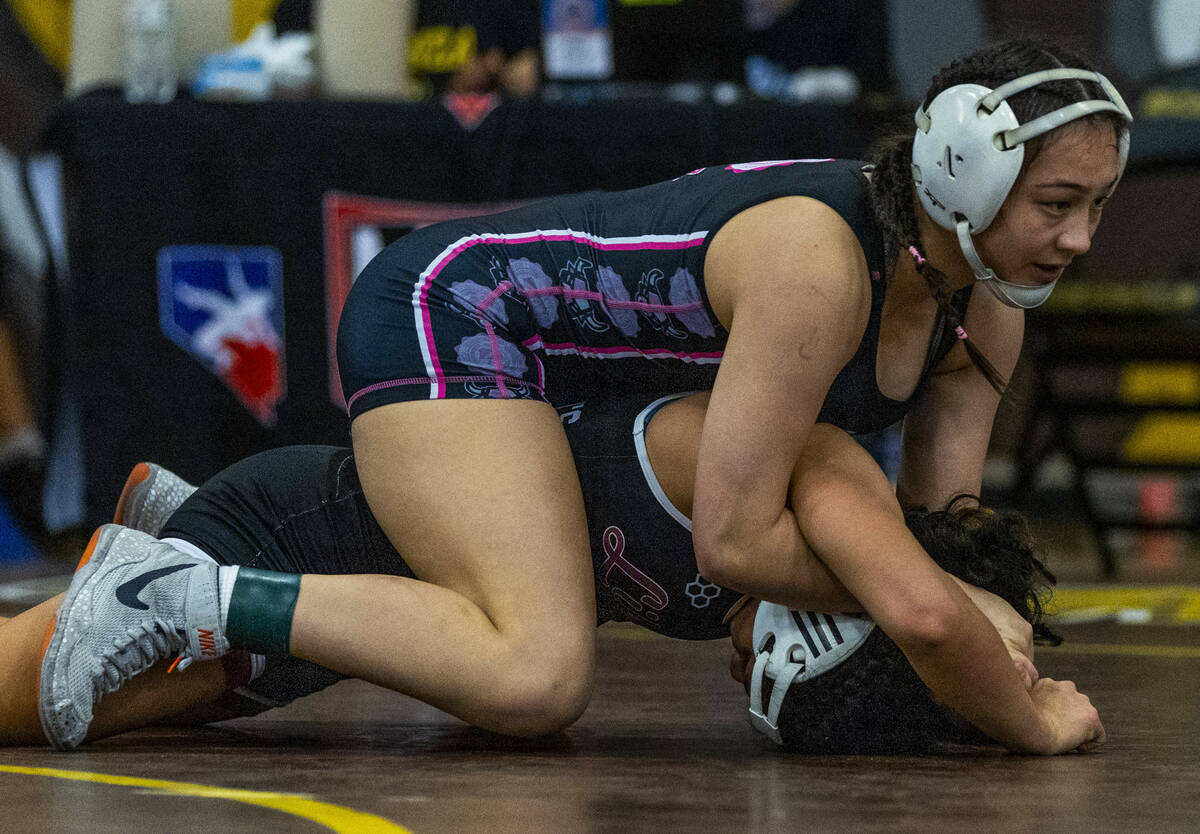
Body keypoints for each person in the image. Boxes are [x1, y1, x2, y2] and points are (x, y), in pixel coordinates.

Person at [39, 39, 1126, 754]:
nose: (1079, 240)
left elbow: (948, 542)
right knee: (537, 672)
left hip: (561, 395)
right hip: (459, 314)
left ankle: (203, 536)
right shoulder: (821, 266)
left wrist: (979, 643)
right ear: (961, 174)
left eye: (1097, 208)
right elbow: (737, 547)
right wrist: (964, 655)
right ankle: (187, 593)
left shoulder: (985, 307)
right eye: (1056, 202)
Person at [11, 391, 1082, 753]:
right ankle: (172, 570)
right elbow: (948, 622)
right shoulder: (797, 479)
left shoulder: (791, 555)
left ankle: (173, 539)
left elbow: (947, 618)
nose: (733, 667)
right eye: (772, 671)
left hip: (316, 613)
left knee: (103, 715)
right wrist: (1031, 704)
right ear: (843, 618)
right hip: (294, 535)